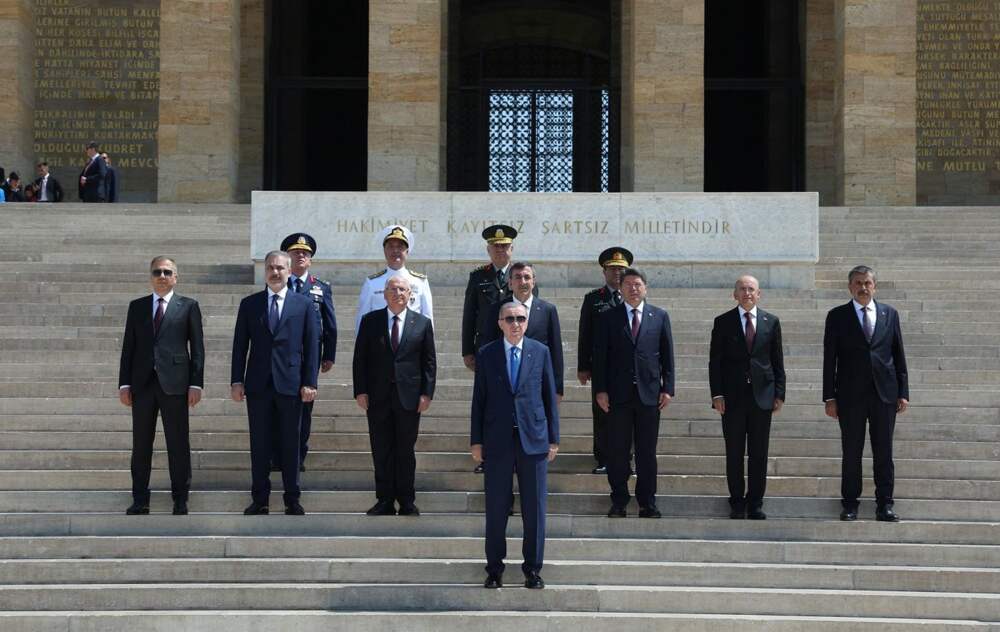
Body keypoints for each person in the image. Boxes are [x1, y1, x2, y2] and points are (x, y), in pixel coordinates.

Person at [471, 302, 559, 590]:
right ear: (500, 323)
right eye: (509, 319)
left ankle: (533, 569)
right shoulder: (487, 354)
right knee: (496, 508)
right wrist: (476, 441)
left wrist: (553, 438)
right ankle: (494, 569)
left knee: (535, 509)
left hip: (533, 440)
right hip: (497, 441)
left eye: (520, 318)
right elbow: (479, 400)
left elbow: (549, 397)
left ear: (527, 321)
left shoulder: (540, 351)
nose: (515, 323)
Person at [231, 250, 319, 516]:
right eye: (270, 267)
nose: (275, 272)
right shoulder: (250, 304)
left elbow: (312, 346)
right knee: (259, 444)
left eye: (280, 268)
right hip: (258, 385)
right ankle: (260, 499)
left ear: (289, 271)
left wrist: (310, 382)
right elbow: (239, 346)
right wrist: (236, 380)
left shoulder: (303, 305)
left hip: (291, 385)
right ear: (264, 271)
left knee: (291, 444)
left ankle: (292, 499)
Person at [117, 257, 205, 516]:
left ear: (176, 277)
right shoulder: (137, 307)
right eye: (157, 272)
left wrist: (196, 383)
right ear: (151, 277)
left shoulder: (188, 306)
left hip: (176, 384)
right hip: (142, 384)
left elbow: (197, 348)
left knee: (178, 444)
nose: (162, 276)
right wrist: (124, 383)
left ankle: (180, 498)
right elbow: (128, 347)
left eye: (168, 272)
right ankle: (140, 499)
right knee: (141, 445)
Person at [823, 265, 909, 522]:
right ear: (850, 287)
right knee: (851, 451)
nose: (863, 287)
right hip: (850, 396)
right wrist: (829, 396)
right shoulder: (837, 316)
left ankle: (885, 504)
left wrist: (903, 391)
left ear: (875, 286)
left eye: (867, 283)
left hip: (884, 394)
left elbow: (898, 354)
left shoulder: (889, 314)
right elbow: (830, 359)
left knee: (884, 452)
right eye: (858, 283)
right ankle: (850, 504)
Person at [593, 267, 674, 519]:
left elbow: (667, 356)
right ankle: (619, 500)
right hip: (618, 396)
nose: (633, 289)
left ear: (645, 288)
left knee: (647, 453)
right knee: (617, 452)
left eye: (638, 284)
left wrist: (668, 388)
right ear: (621, 288)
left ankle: (647, 502)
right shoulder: (608, 317)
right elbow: (600, 358)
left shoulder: (659, 316)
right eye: (628, 284)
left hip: (649, 396)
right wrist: (600, 390)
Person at [353, 276, 437, 516]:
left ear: (410, 294)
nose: (397, 292)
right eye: (392, 288)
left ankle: (407, 500)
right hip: (377, 396)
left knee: (405, 450)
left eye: (402, 289)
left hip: (409, 397)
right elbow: (360, 359)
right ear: (384, 293)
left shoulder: (422, 323)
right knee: (381, 449)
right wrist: (360, 390)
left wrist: (426, 393)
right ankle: (385, 500)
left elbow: (429, 361)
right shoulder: (370, 321)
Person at [709, 275, 785, 520]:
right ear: (735, 294)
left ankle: (755, 503)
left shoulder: (771, 322)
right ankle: (736, 502)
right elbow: (715, 362)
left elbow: (777, 361)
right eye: (742, 289)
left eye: (751, 289)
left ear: (758, 294)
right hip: (732, 399)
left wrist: (779, 393)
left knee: (759, 453)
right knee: (734, 452)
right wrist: (717, 394)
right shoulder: (723, 322)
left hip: (762, 397)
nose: (747, 293)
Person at [278, 233, 337, 471]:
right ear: (287, 258)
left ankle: (298, 456)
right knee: (279, 405)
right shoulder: (278, 284)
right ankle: (277, 455)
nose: (300, 255)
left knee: (304, 407)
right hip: (282, 356)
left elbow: (330, 324)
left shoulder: (321, 287)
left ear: (310, 259)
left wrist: (329, 355)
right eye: (295, 252)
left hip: (308, 357)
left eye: (305, 253)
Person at [578, 247, 632, 474]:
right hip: (602, 367)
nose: (617, 273)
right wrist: (583, 366)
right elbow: (585, 333)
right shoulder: (593, 299)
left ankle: (627, 459)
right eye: (612, 269)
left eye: (621, 269)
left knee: (629, 416)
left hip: (628, 368)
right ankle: (603, 458)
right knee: (602, 414)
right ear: (604, 272)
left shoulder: (634, 296)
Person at [461, 224, 522, 370]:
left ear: (512, 249)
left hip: (515, 343)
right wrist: (467, 351)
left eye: (504, 246)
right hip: (485, 344)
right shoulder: (477, 276)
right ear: (488, 250)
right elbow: (469, 316)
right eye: (495, 246)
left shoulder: (522, 276)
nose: (500, 249)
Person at [355, 225, 433, 333]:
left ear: (407, 251)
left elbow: (427, 318)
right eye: (391, 246)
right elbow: (362, 320)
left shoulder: (420, 282)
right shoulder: (372, 283)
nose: (395, 250)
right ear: (384, 251)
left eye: (400, 247)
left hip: (412, 340)